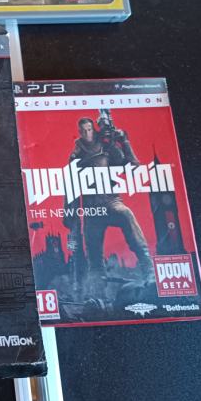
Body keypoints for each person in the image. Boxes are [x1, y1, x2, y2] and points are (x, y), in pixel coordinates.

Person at [67, 116, 154, 280]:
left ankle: (148, 269)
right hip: (92, 210)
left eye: (89, 129)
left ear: (94, 130)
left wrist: (124, 142)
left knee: (126, 215)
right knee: (95, 262)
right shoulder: (76, 156)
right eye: (83, 131)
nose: (87, 134)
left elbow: (133, 166)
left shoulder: (107, 149)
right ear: (79, 132)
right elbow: (70, 185)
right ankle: (98, 289)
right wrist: (70, 213)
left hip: (111, 202)